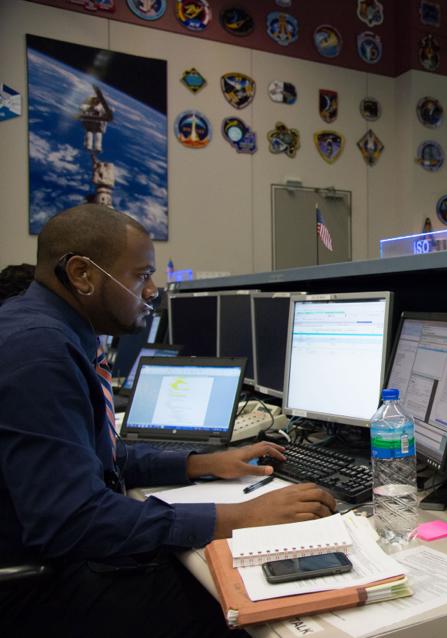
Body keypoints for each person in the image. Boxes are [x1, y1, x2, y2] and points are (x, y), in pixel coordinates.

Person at [0, 204, 336, 637]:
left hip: (49, 564)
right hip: (38, 593)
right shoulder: (39, 353)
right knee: (242, 602)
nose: (154, 289)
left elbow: (99, 455)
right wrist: (242, 515)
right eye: (141, 275)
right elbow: (73, 520)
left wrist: (201, 463)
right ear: (82, 274)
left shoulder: (50, 332)